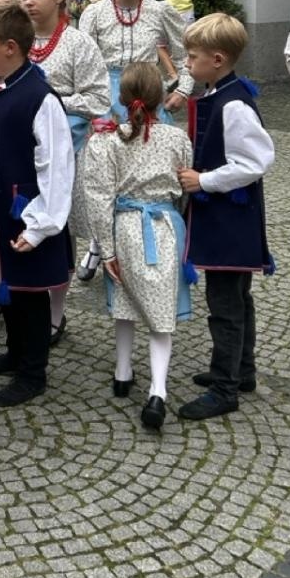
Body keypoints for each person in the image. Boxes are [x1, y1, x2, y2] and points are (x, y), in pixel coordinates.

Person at [0, 5, 73, 407]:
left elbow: (57, 167)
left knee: (28, 291)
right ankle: (15, 349)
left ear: (10, 47)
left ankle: (33, 372)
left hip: (23, 214)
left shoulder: (39, 98)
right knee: (1, 280)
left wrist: (40, 224)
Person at [83, 62, 193, 431]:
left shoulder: (107, 142)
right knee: (161, 310)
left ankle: (122, 371)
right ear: (161, 99)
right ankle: (157, 391)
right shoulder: (177, 140)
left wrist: (108, 250)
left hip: (126, 228)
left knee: (126, 301)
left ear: (121, 98)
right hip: (164, 227)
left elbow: (99, 199)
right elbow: (183, 191)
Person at [177, 13, 276, 422]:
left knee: (226, 305)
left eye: (192, 55)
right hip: (226, 218)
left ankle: (225, 388)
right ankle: (243, 371)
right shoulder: (223, 91)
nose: (186, 62)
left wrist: (205, 180)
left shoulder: (233, 103)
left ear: (217, 59)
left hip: (230, 220)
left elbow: (255, 161)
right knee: (237, 299)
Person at [76, 0, 193, 281]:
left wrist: (182, 88)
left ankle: (154, 239)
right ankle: (100, 242)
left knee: (144, 175)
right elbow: (84, 62)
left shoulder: (160, 11)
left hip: (148, 96)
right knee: (104, 176)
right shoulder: (94, 13)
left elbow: (186, 53)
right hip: (106, 96)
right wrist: (93, 106)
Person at [21, 0, 111, 342]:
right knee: (21, 224)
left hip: (67, 152)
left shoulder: (78, 44)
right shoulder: (17, 39)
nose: (28, 2)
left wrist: (54, 101)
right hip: (22, 151)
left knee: (59, 231)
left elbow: (99, 98)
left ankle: (56, 313)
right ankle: (17, 297)